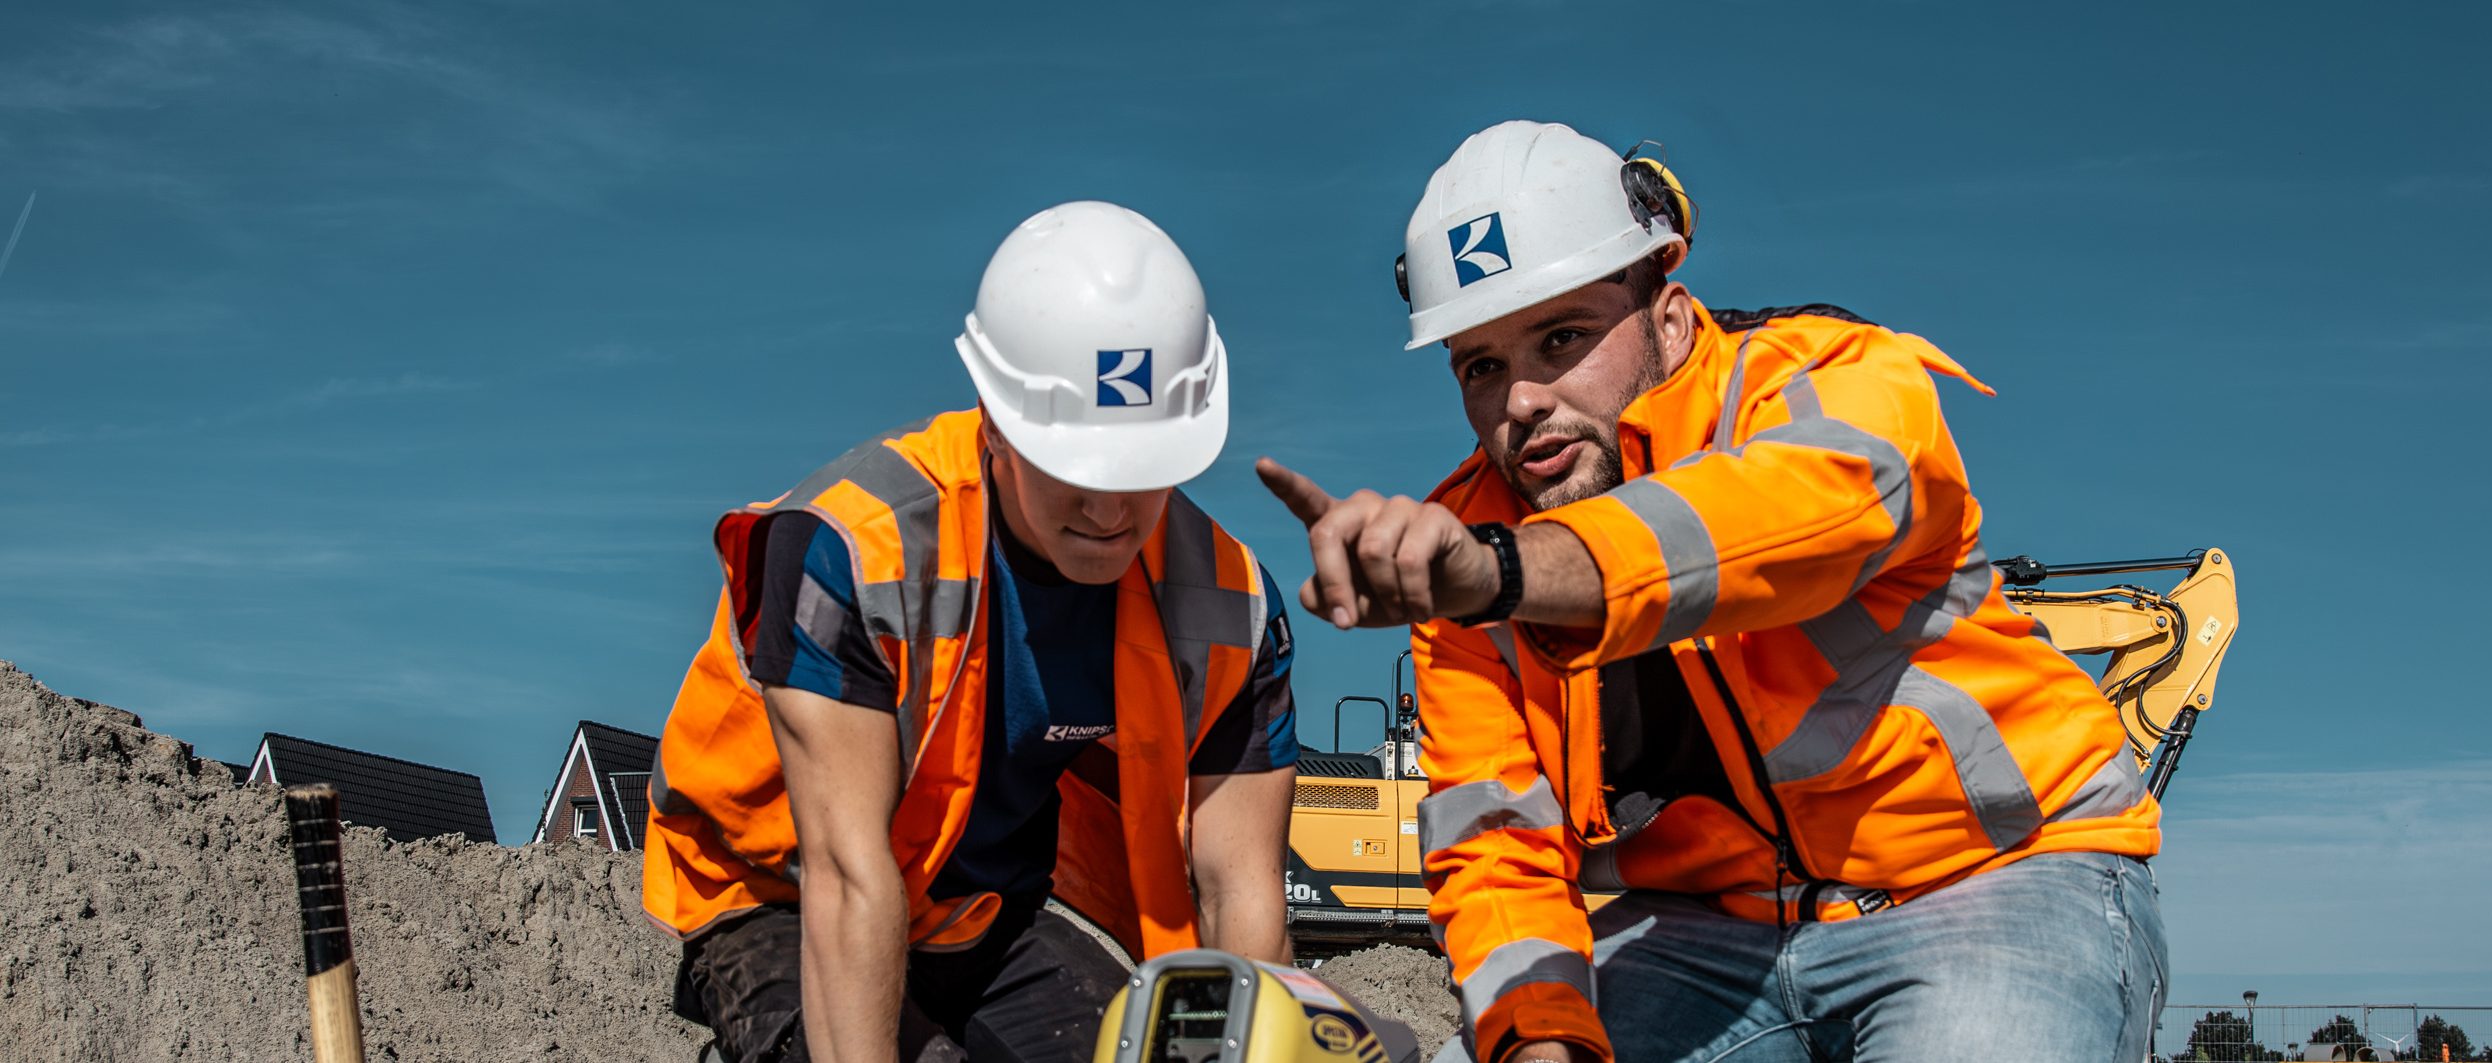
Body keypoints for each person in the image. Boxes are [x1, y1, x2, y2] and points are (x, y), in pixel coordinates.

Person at [1257, 120, 2167, 1063]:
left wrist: (1511, 572)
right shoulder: (1468, 550)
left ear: (1670, 313)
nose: (1520, 401)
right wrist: (1539, 1036)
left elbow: (1779, 518)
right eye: (1481, 365)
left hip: (1998, 877)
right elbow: (1497, 846)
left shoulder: (1831, 381)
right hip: (1706, 932)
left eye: (1561, 337)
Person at [646, 201, 1301, 1063]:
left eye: (1141, 468)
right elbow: (845, 877)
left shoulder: (1229, 603)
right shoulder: (856, 550)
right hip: (778, 892)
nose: (1110, 510)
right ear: (995, 423)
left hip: (976, 908)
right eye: (1073, 467)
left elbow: (1242, 895)